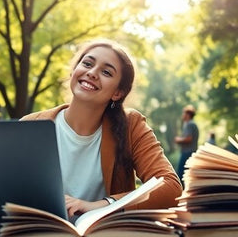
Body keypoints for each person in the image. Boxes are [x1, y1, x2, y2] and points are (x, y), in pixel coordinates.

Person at [21, 39, 182, 221]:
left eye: (106, 72)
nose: (92, 73)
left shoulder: (131, 125)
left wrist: (101, 205)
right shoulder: (30, 125)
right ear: (75, 71)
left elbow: (170, 187)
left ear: (118, 93)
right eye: (87, 64)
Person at [174, 105, 199, 187]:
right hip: (190, 152)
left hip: (187, 153)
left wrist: (178, 140)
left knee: (181, 175)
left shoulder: (190, 124)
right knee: (188, 175)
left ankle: (181, 193)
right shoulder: (189, 124)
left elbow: (189, 139)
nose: (182, 115)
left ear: (188, 115)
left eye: (183, 113)